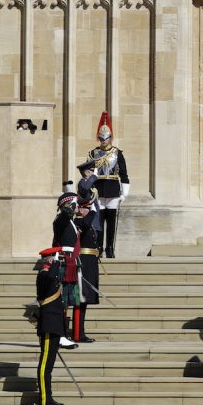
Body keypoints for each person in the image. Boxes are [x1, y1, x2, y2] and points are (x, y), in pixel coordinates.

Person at [86, 111, 130, 258]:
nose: (103, 140)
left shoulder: (117, 153)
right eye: (101, 137)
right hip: (98, 188)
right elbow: (86, 171)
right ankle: (99, 247)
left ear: (110, 137)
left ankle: (110, 247)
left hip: (112, 188)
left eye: (106, 137)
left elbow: (123, 173)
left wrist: (124, 193)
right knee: (98, 221)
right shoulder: (93, 153)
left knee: (111, 221)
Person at [34, 247, 67, 405]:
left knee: (49, 365)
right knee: (45, 365)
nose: (58, 261)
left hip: (54, 326)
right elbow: (50, 276)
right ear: (49, 259)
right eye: (55, 257)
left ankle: (48, 397)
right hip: (48, 325)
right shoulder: (43, 275)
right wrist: (54, 263)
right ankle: (45, 399)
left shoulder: (50, 276)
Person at [73, 170, 100, 343]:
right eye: (86, 208)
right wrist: (89, 211)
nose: (89, 211)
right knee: (79, 300)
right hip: (82, 264)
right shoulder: (78, 222)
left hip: (90, 264)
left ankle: (80, 332)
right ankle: (77, 333)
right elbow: (86, 221)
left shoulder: (84, 221)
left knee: (84, 301)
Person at [51, 191, 80, 350]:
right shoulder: (61, 219)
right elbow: (62, 218)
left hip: (70, 262)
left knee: (67, 302)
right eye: (75, 203)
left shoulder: (71, 221)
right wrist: (68, 209)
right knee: (61, 302)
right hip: (64, 262)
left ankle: (62, 334)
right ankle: (60, 336)